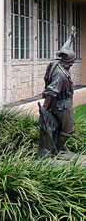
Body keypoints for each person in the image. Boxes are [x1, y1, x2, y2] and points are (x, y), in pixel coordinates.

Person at [38, 26, 76, 157]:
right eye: (71, 63)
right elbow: (52, 91)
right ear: (68, 62)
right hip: (62, 105)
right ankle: (57, 150)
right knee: (68, 129)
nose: (71, 65)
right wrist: (44, 108)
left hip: (59, 103)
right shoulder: (60, 74)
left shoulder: (56, 62)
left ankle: (59, 147)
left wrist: (71, 38)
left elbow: (63, 49)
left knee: (59, 126)